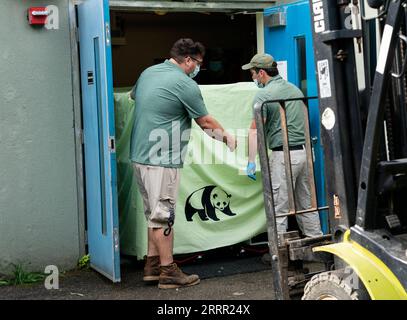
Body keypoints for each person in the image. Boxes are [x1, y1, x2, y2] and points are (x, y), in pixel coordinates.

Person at [130, 38, 237, 289]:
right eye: (198, 63)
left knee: (152, 215)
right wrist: (228, 139)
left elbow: (136, 98)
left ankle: (152, 266)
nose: (199, 67)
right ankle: (169, 272)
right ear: (188, 60)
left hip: (140, 156)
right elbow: (206, 123)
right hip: (162, 160)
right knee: (164, 216)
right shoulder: (184, 83)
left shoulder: (148, 73)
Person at [242, 53, 322, 238]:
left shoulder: (264, 95)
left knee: (279, 208)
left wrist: (251, 160)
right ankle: (317, 246)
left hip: (284, 156)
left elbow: (255, 131)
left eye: (253, 73)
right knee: (307, 205)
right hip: (305, 154)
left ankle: (279, 254)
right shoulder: (295, 90)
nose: (253, 78)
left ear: (262, 72)